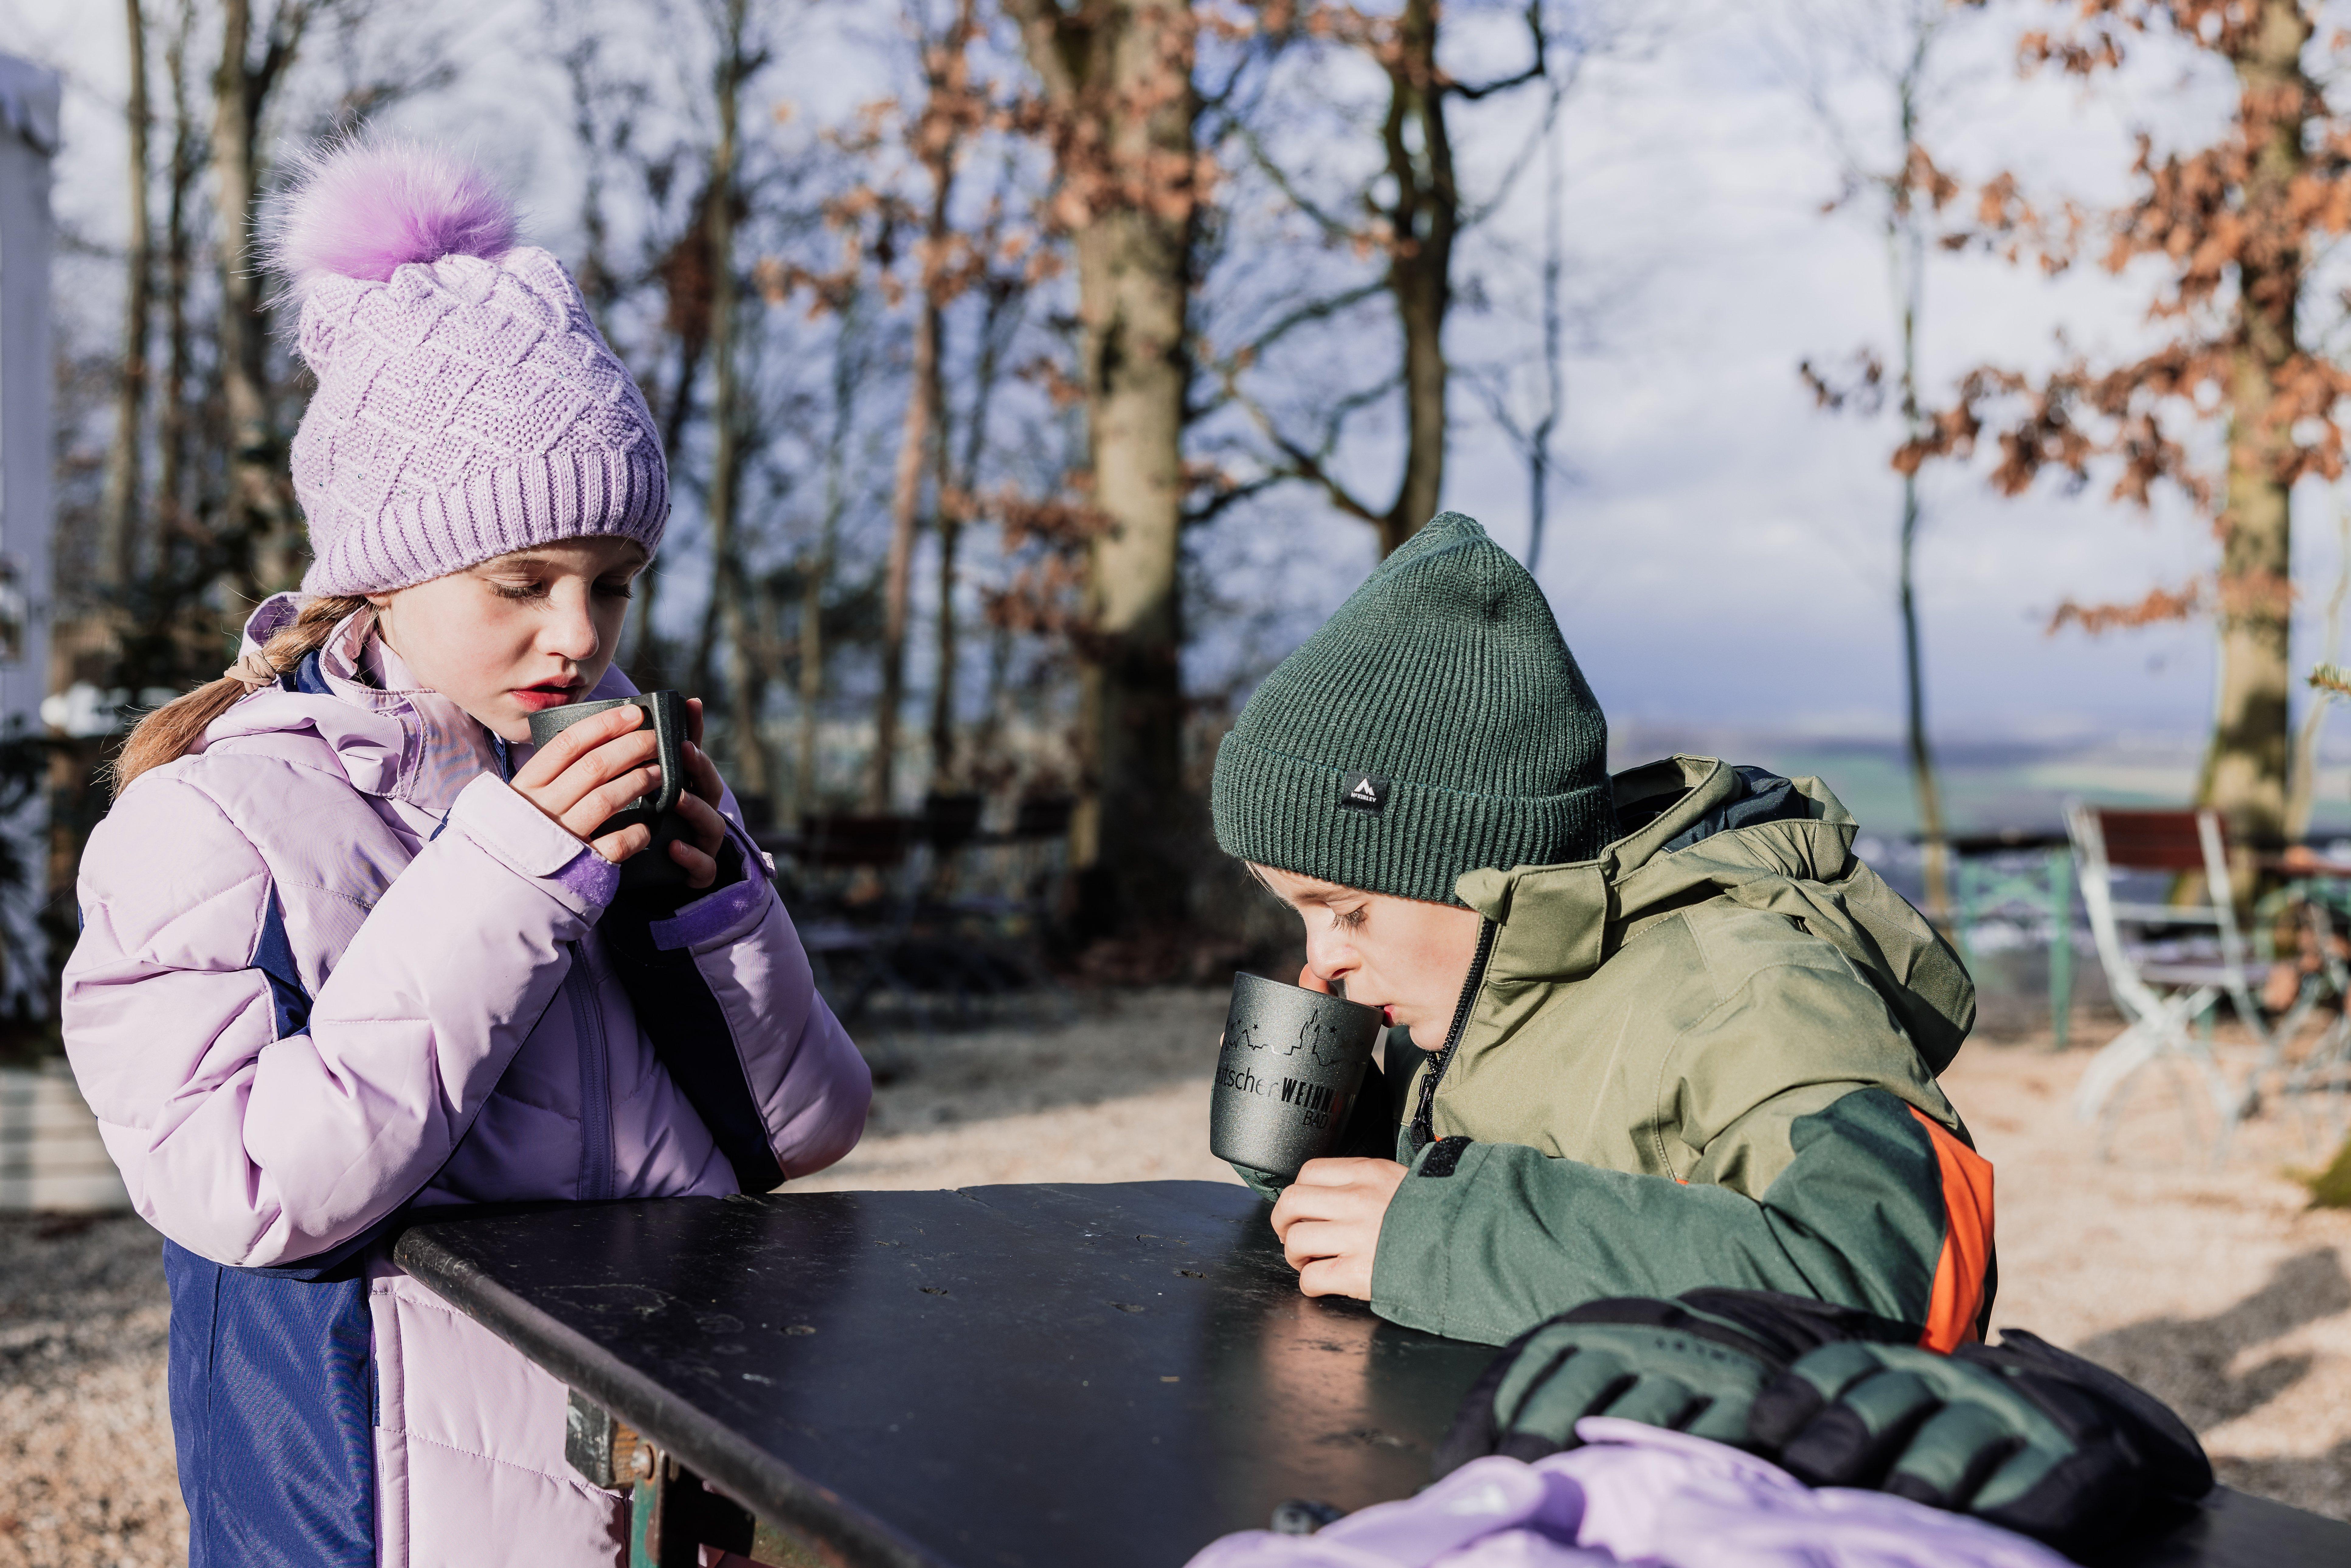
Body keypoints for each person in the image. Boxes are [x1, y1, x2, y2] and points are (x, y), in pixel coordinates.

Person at [61, 142, 870, 1568]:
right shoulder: (214, 823)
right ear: (378, 569)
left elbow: (799, 1134)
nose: (579, 636)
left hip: (658, 1490)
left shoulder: (594, 788)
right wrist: (508, 880)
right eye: (522, 584)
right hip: (381, 1516)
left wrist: (717, 909)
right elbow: (243, 1187)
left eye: (611, 586)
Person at [1210, 511, 1992, 1353]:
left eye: (1348, 911)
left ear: (1483, 872)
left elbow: (1902, 1285)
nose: (1322, 957)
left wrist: (1437, 1236)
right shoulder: (1473, 990)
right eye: (1301, 915)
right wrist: (1334, 1133)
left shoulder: (1749, 993)